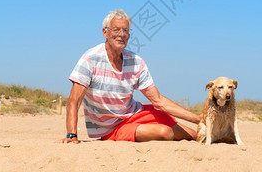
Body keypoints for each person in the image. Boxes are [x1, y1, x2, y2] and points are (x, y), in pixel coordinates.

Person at [60, 9, 200, 143]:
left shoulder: (136, 62)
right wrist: (72, 134)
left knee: (194, 135)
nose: (121, 34)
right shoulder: (90, 59)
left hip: (137, 113)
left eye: (125, 30)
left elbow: (158, 100)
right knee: (165, 132)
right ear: (105, 32)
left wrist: (199, 119)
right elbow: (74, 100)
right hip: (112, 128)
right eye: (116, 29)